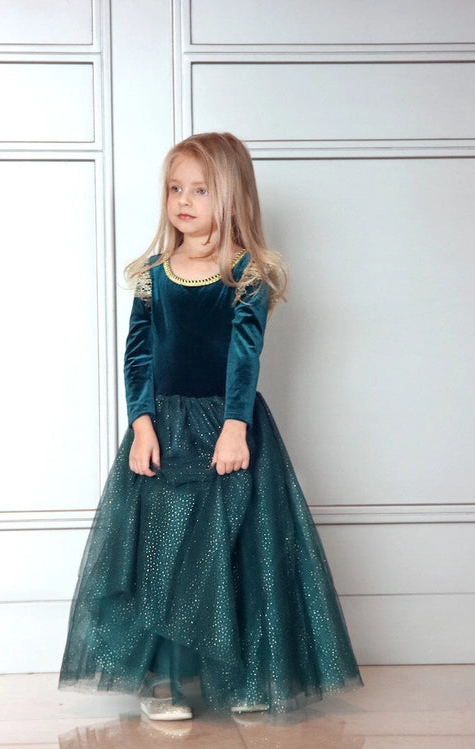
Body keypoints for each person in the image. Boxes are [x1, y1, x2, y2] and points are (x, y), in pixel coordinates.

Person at [59, 132, 363, 721]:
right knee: (165, 551)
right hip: (165, 430)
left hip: (228, 430)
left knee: (232, 549)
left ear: (231, 196)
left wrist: (234, 426)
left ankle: (244, 674)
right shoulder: (155, 274)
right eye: (176, 188)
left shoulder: (246, 273)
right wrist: (141, 425)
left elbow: (245, 358)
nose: (184, 200)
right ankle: (162, 679)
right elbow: (138, 356)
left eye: (200, 190)